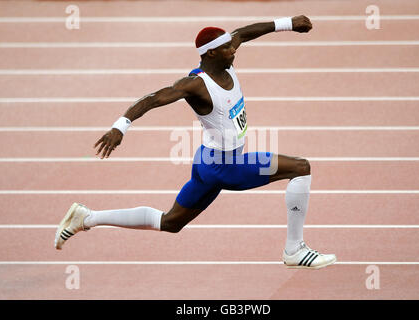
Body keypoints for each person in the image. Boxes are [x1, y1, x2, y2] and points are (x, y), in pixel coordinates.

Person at [54, 15, 336, 269]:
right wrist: (120, 126)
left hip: (206, 162)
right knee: (300, 168)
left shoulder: (226, 58)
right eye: (228, 48)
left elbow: (245, 32)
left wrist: (287, 23)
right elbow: (153, 99)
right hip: (223, 167)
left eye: (232, 45)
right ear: (211, 53)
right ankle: (294, 250)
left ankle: (86, 217)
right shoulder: (197, 85)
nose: (234, 49)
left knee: (170, 222)